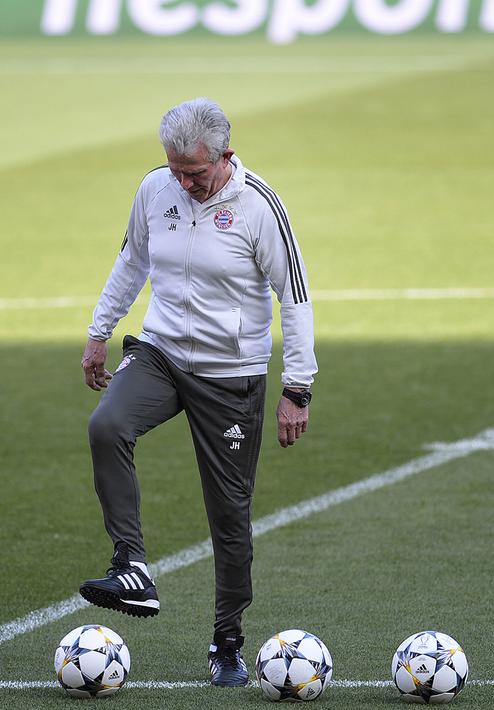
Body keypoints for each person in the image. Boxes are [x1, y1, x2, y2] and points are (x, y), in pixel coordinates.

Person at [78, 97, 316, 687]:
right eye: (175, 170)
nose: (183, 182)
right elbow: (132, 258)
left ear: (225, 156)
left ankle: (228, 641)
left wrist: (298, 388)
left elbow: (296, 296)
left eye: (195, 172)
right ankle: (130, 565)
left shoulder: (259, 207)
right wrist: (97, 332)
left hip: (230, 374)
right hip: (160, 354)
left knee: (229, 515)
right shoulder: (156, 189)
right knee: (107, 425)